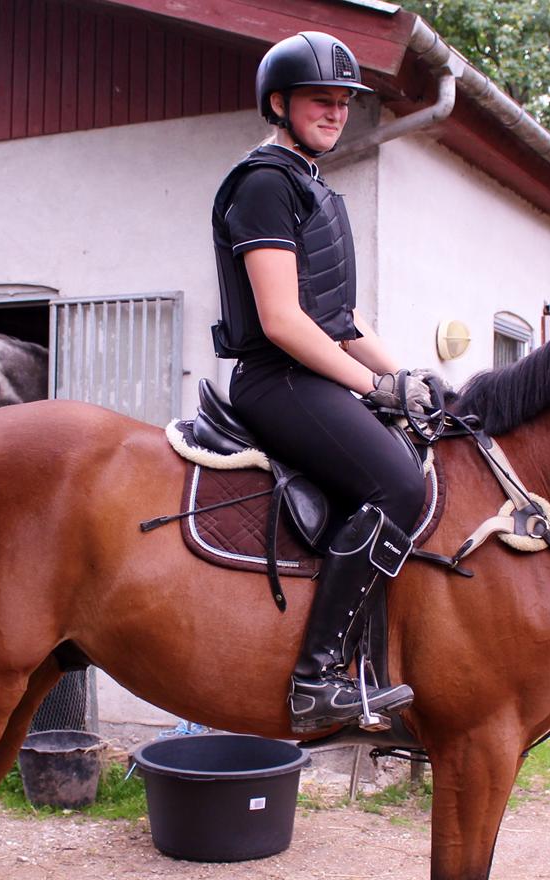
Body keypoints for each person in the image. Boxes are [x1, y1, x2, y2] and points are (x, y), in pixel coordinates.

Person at [211, 31, 433, 733]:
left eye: (342, 102)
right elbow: (282, 321)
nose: (335, 112)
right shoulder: (266, 184)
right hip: (277, 378)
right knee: (398, 485)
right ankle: (315, 680)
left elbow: (340, 319)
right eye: (319, 100)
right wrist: (371, 391)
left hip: (312, 371)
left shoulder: (313, 187)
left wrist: (407, 378)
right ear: (278, 102)